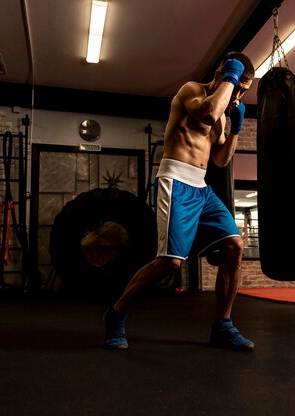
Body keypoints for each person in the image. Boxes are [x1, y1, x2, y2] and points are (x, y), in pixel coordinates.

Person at [103, 51, 255, 351]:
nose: (238, 94)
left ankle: (223, 325)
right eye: (237, 86)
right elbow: (209, 113)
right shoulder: (191, 91)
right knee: (170, 262)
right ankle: (116, 313)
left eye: (244, 91)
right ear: (222, 76)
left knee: (234, 245)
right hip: (176, 181)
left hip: (202, 187)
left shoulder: (224, 114)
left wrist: (236, 127)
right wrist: (230, 78)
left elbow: (221, 160)